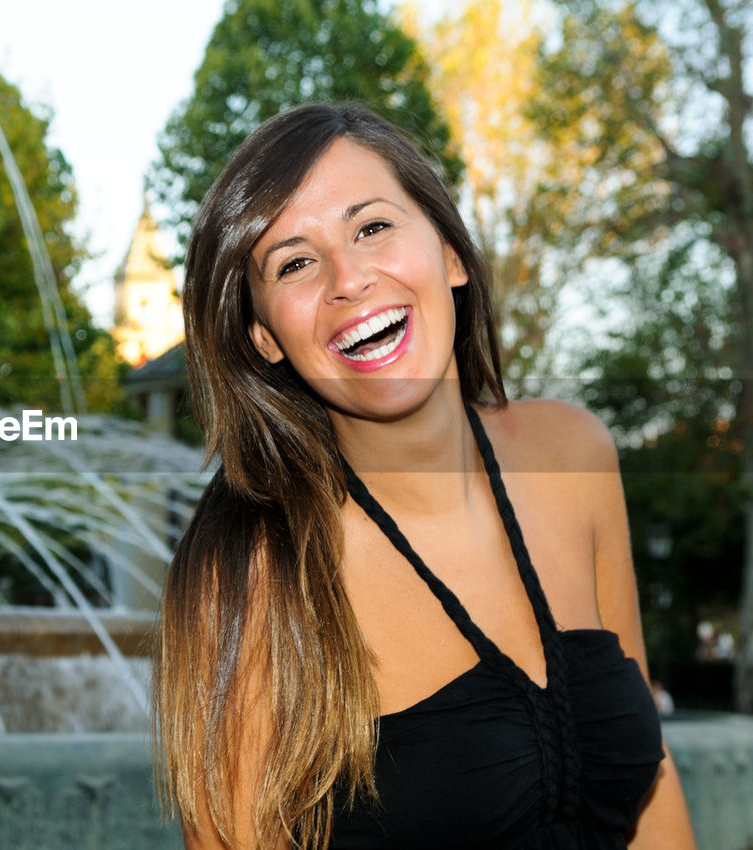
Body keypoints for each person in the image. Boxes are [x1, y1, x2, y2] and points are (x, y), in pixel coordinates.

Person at [153, 103, 695, 849]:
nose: (349, 279)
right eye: (296, 262)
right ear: (265, 337)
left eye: (372, 227)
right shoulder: (252, 573)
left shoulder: (574, 454)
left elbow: (655, 803)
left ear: (450, 253)